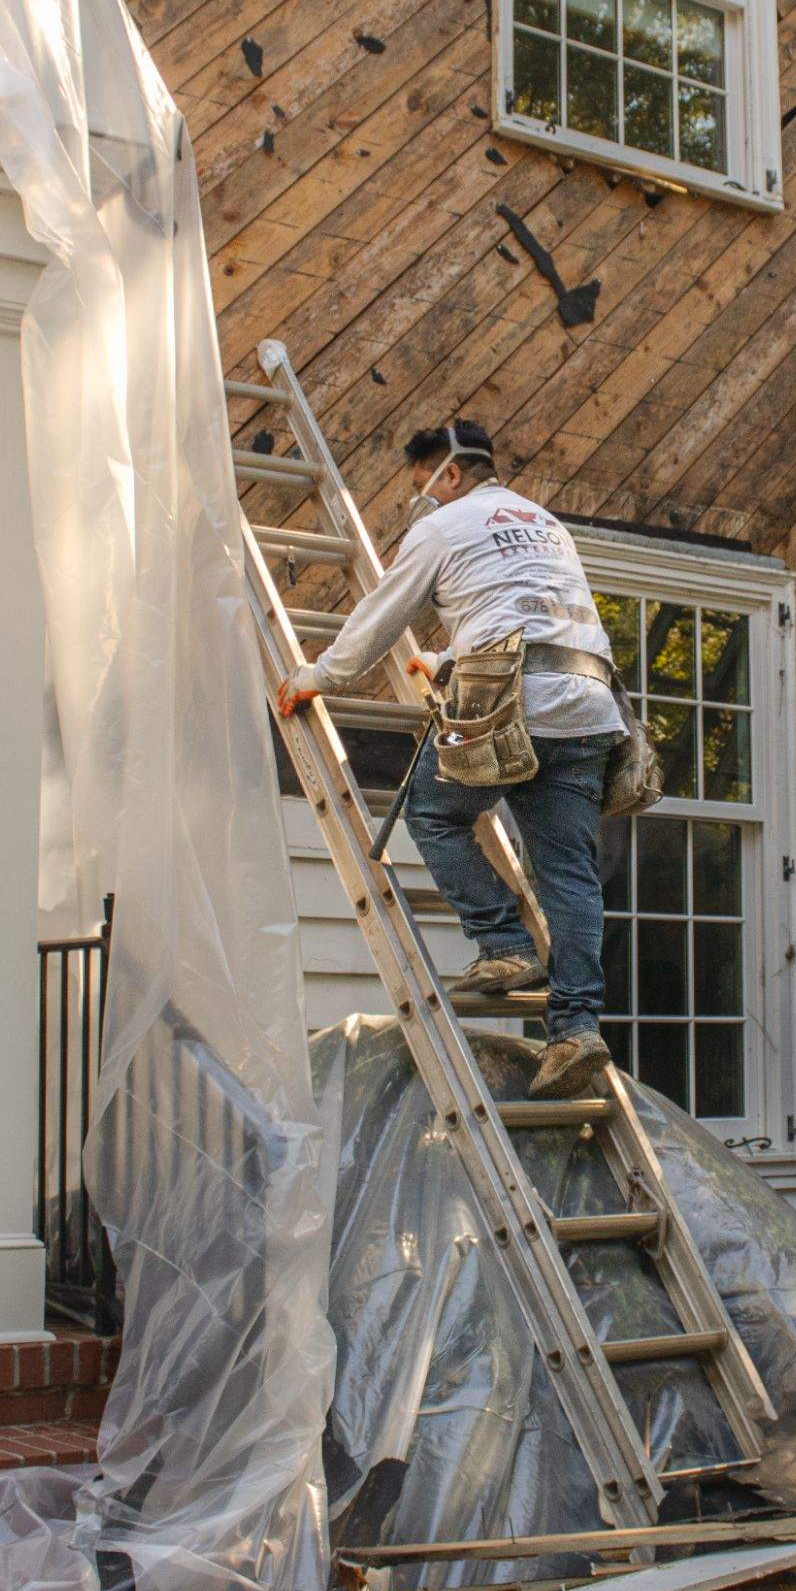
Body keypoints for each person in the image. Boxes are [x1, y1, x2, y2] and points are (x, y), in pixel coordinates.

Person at [274, 421, 625, 1099]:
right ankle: (577, 1030)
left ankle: (504, 947)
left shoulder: (442, 528)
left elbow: (381, 616)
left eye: (421, 486)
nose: (421, 500)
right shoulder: (549, 526)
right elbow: (528, 614)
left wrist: (320, 675)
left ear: (451, 474)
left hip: (514, 701)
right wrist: (441, 661)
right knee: (570, 872)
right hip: (588, 700)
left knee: (433, 812)